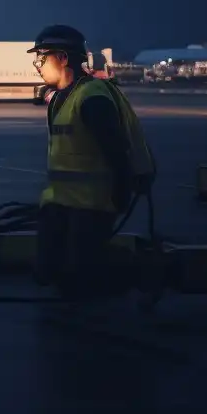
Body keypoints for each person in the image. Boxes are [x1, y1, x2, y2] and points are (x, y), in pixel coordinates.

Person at [29, 25, 154, 299]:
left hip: (92, 203)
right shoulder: (60, 97)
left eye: (41, 58)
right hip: (60, 201)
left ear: (62, 59)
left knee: (79, 277)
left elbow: (116, 150)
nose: (37, 65)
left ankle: (142, 271)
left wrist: (121, 192)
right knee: (46, 271)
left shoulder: (92, 97)